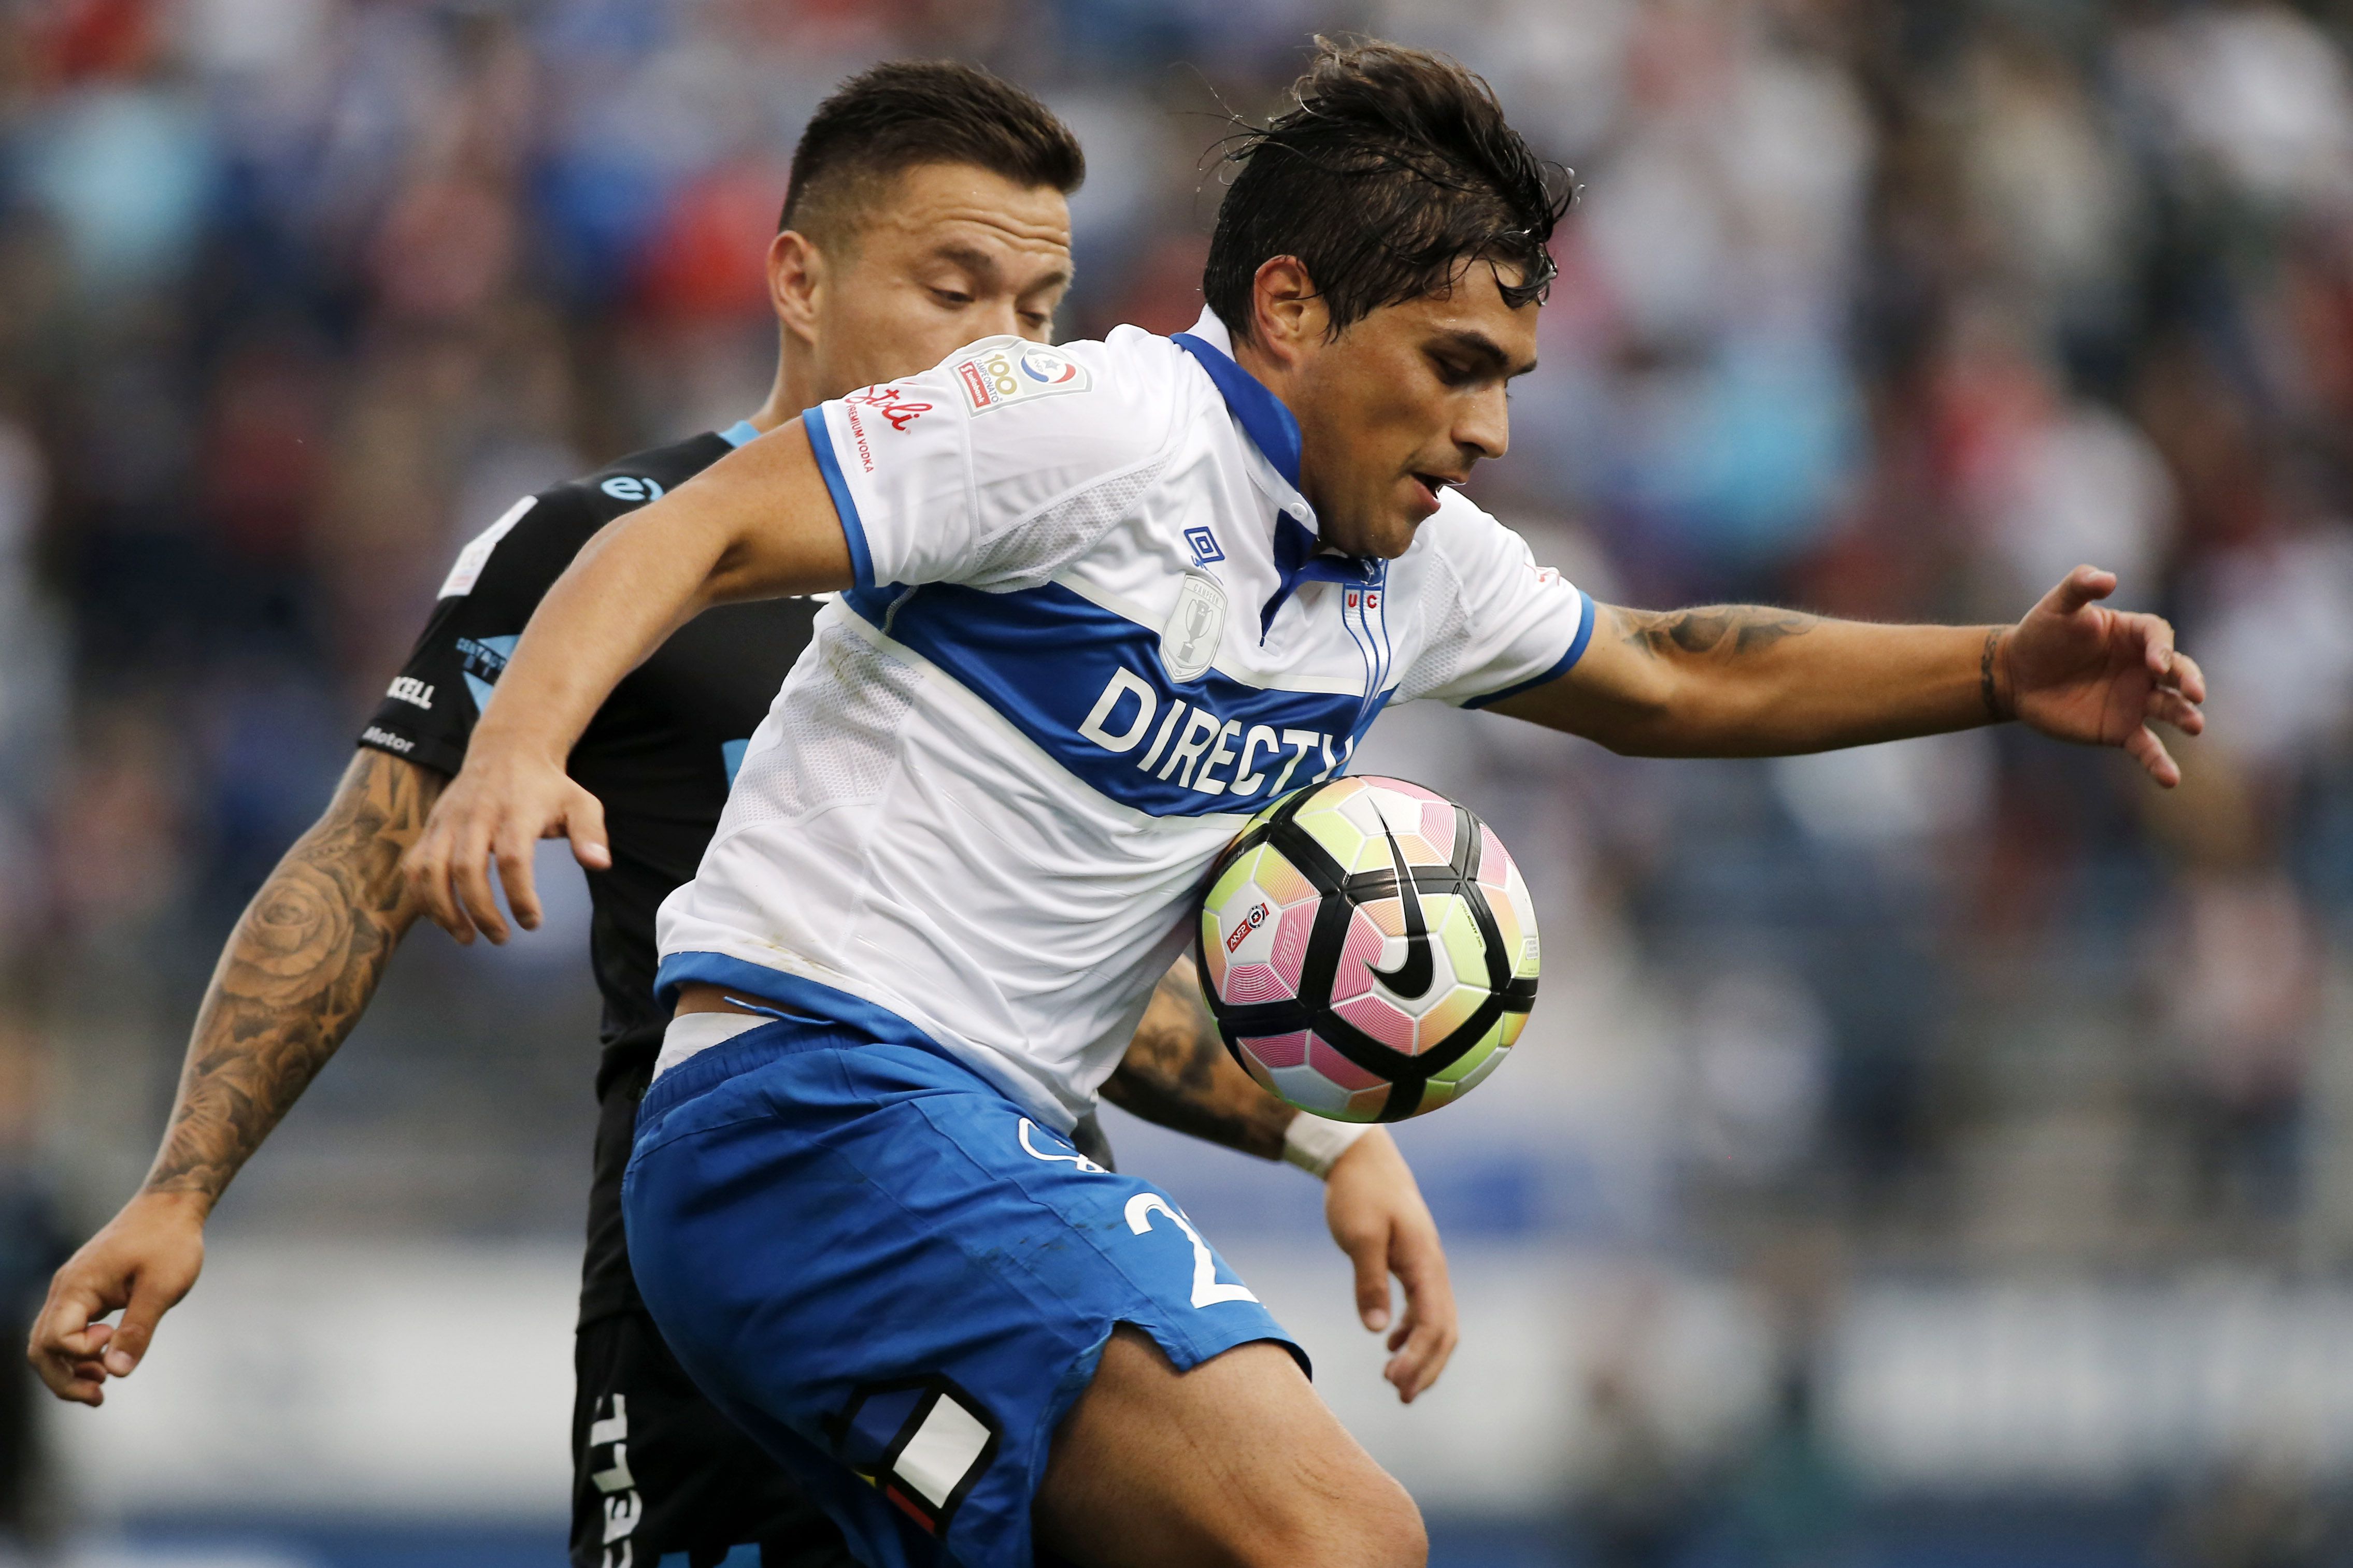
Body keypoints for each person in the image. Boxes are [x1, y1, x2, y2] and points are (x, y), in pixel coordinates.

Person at [402, 37, 2204, 1568]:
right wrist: (513, 751)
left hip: (943, 1153)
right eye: (1454, 365)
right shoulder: (1090, 427)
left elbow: (1672, 671)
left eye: (1507, 380)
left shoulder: (1409, 563)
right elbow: (694, 526)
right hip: (815, 1111)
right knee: (1338, 1536)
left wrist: (1991, 673)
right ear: (1288, 308)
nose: (1487, 432)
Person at [27, 60, 1457, 1568]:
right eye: (955, 288)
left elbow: (1091, 992)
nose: (1004, 346)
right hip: (724, 1293)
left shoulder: (1073, 580)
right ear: (798, 277)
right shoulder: (611, 548)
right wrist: (181, 1188)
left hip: (998, 1243)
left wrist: (1327, 1143)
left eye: (1039, 311)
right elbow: (360, 859)